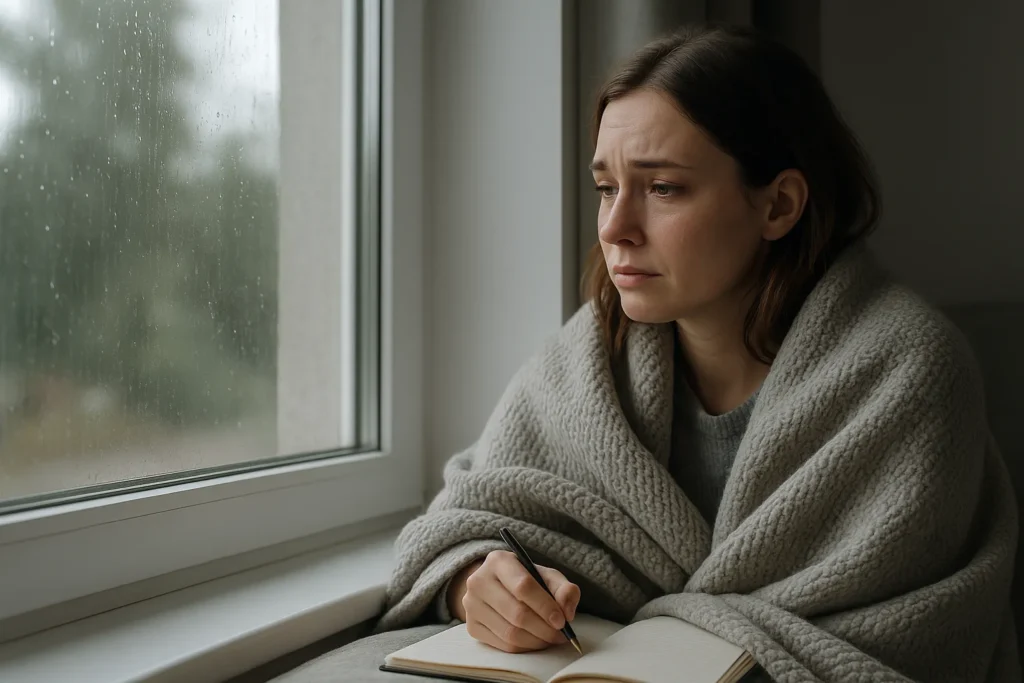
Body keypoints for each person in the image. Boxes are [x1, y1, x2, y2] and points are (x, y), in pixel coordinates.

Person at [275, 24, 1019, 683]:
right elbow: (462, 522)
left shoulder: (909, 372)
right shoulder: (585, 363)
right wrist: (481, 583)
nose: (616, 227)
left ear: (779, 205)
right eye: (606, 187)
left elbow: (920, 635)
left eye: (662, 187)